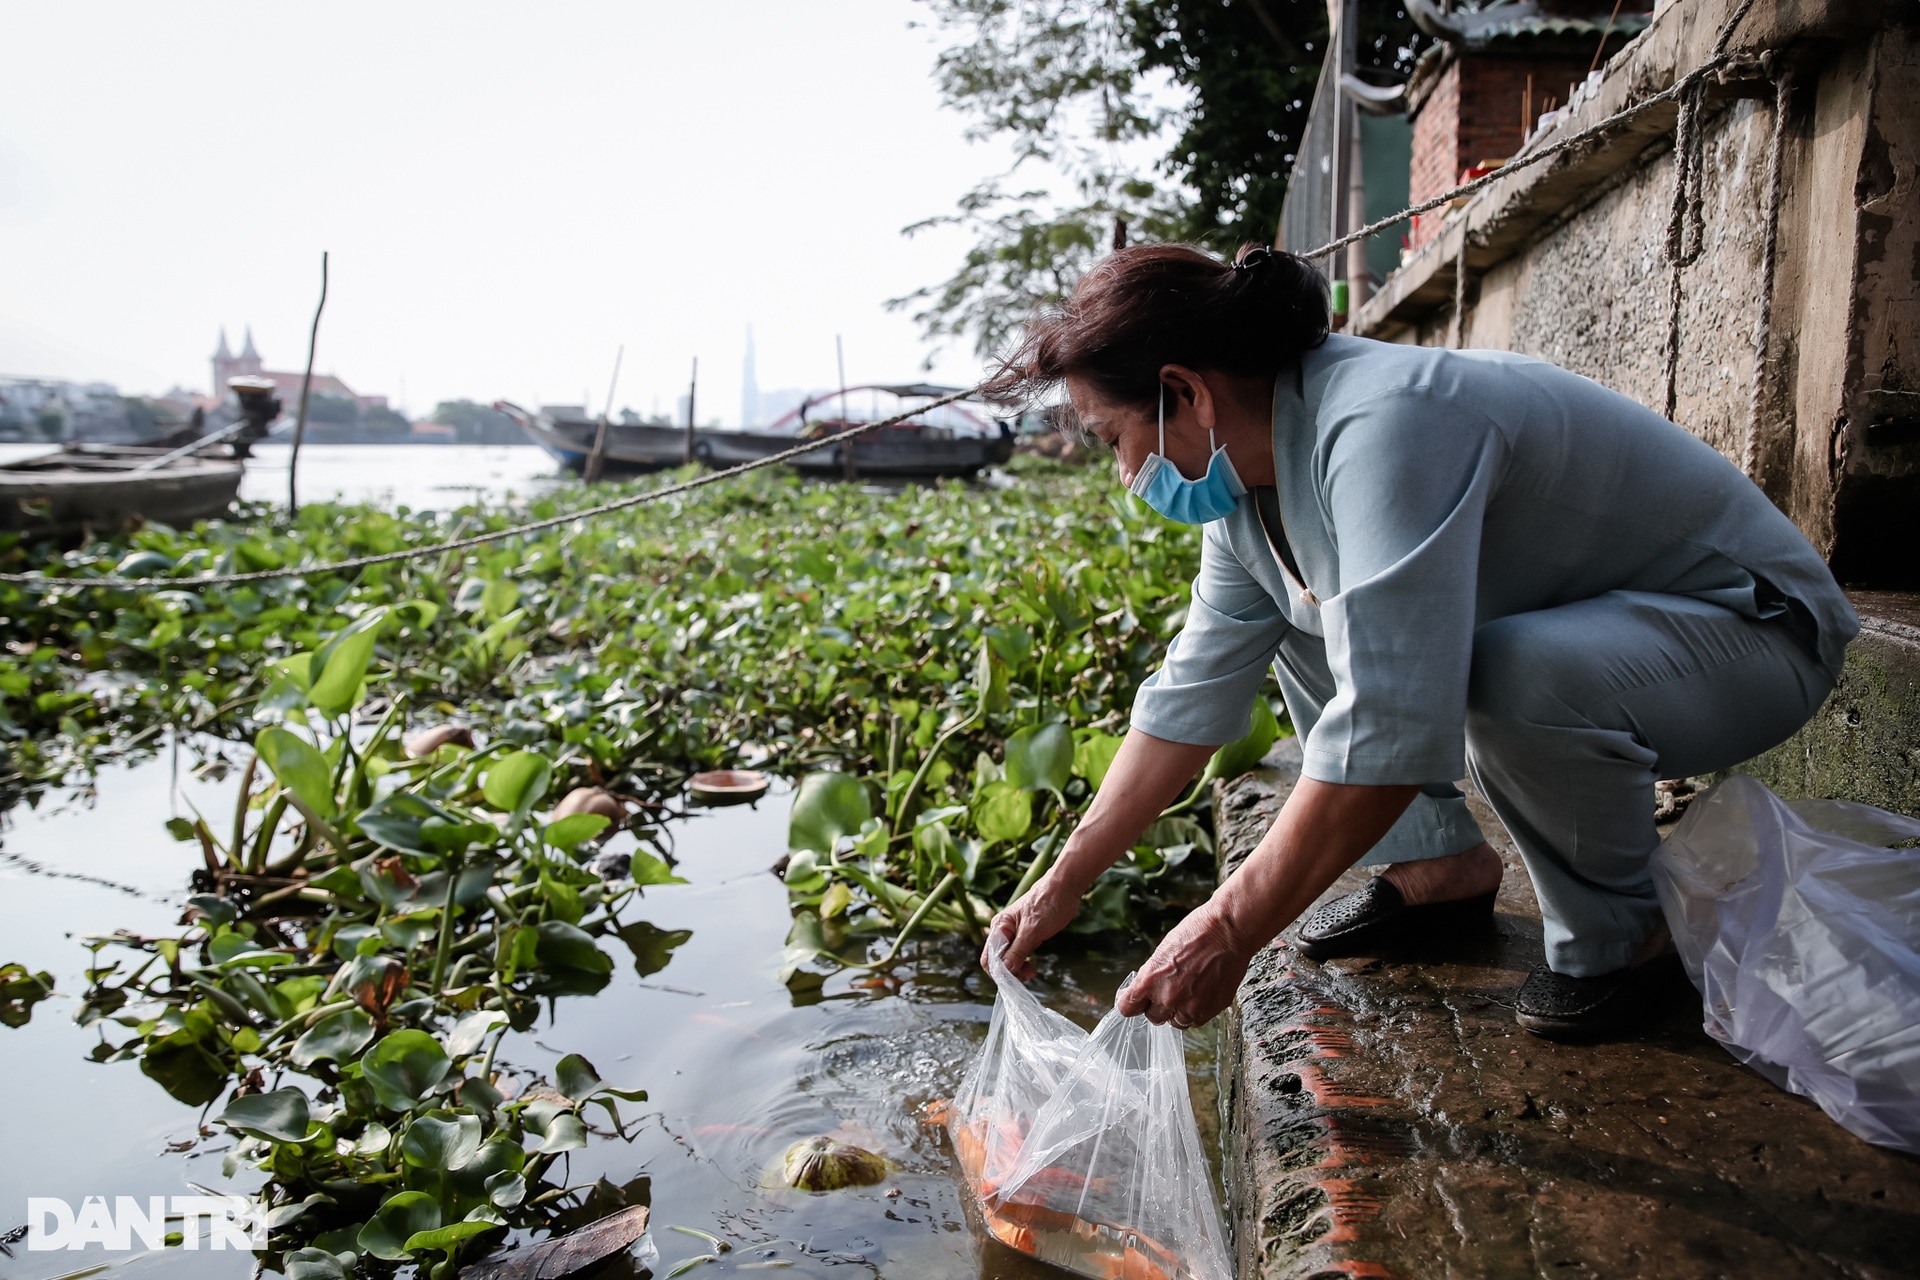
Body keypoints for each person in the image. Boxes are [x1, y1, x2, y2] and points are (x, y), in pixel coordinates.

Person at [978, 243, 1857, 1039]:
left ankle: (1625, 940)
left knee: (1514, 676)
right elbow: (1189, 697)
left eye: (1115, 439)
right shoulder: (1249, 497)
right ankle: (1439, 866)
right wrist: (1064, 880)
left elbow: (1392, 728)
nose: (1127, 473)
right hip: (1633, 641)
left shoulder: (1382, 423)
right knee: (1302, 618)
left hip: (1754, 632)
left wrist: (1229, 927)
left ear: (1186, 393)